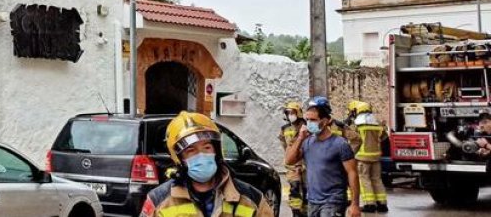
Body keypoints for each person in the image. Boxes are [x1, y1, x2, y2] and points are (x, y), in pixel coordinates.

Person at [140, 111, 274, 217]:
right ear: (179, 159)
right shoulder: (158, 201)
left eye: (207, 147)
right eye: (191, 150)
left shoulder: (252, 200)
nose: (201, 155)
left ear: (217, 151)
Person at [285, 96, 361, 217]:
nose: (309, 123)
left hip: (333, 202)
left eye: (313, 120)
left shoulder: (340, 144)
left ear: (325, 121)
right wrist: (300, 138)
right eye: (307, 119)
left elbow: (352, 173)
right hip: (312, 201)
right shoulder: (307, 142)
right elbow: (289, 160)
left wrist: (355, 204)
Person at [351, 101, 388, 212]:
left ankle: (369, 204)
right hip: (376, 157)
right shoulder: (377, 124)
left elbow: (355, 140)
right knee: (377, 179)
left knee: (364, 180)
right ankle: (382, 204)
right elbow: (384, 137)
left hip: (363, 158)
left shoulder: (357, 125)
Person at [279, 101, 308, 217]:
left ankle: (306, 211)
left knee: (307, 190)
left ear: (299, 113)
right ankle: (295, 212)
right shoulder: (284, 129)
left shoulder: (306, 127)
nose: (290, 115)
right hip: (291, 166)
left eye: (292, 112)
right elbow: (285, 145)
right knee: (294, 188)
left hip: (306, 166)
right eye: (288, 112)